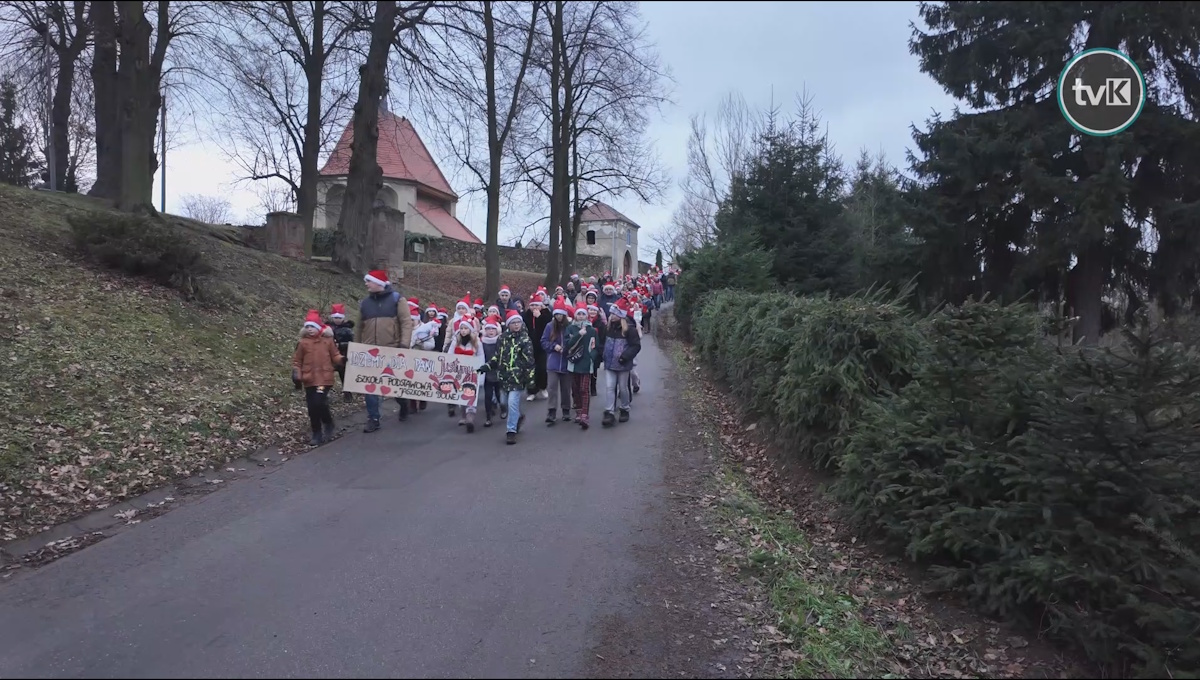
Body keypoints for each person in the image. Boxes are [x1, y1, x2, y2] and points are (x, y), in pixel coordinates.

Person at [358, 269, 414, 433]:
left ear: (378, 283)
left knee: (395, 385)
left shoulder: (397, 300)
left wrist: (403, 345)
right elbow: (359, 327)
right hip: (370, 353)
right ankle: (373, 418)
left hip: (392, 350)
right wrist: (356, 348)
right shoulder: (365, 303)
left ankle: (403, 403)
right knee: (370, 387)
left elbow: (406, 323)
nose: (366, 284)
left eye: (369, 281)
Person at [480, 310, 535, 445]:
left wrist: (530, 379)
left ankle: (511, 431)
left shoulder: (525, 339)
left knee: (512, 403)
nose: (516, 325)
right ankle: (518, 416)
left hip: (518, 378)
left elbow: (529, 360)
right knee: (504, 402)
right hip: (504, 378)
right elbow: (497, 356)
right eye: (513, 322)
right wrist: (487, 366)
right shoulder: (502, 338)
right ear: (508, 324)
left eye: (518, 322)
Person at [293, 310, 343, 445]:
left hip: (323, 379)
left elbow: (335, 355)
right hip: (309, 379)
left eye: (312, 326)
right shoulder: (303, 343)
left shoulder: (328, 341)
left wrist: (342, 360)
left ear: (319, 327)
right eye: (307, 327)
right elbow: (297, 361)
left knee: (319, 402)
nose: (310, 329)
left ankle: (328, 422)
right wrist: (297, 374)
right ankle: (316, 432)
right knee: (312, 407)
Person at [602, 298, 641, 428]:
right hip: (609, 363)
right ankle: (609, 412)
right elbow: (602, 343)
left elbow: (635, 346)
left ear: (620, 315)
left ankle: (624, 408)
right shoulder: (608, 328)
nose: (611, 316)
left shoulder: (629, 330)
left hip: (623, 364)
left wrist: (625, 357)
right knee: (609, 387)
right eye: (611, 314)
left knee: (623, 388)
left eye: (614, 314)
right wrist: (602, 355)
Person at [565, 301, 599, 429]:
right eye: (578, 314)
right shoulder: (570, 328)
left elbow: (596, 346)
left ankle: (585, 414)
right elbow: (567, 344)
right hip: (573, 363)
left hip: (586, 364)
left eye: (583, 314)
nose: (581, 316)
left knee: (584, 389)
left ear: (586, 316)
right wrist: (579, 334)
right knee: (575, 389)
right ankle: (578, 411)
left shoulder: (592, 330)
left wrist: (591, 356)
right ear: (575, 315)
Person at [446, 316, 483, 432]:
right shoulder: (455, 341)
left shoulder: (477, 342)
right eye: (461, 328)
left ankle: (470, 416)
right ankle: (463, 415)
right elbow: (450, 355)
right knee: (460, 393)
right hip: (459, 372)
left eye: (465, 328)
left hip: (472, 372)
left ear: (470, 330)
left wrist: (481, 374)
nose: (463, 331)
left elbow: (481, 357)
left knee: (471, 394)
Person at [541, 297, 573, 425]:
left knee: (566, 389)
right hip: (553, 363)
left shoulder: (569, 326)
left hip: (566, 362)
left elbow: (574, 341)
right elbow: (544, 341)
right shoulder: (549, 326)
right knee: (552, 388)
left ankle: (566, 410)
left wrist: (568, 348)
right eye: (557, 314)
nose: (559, 317)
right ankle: (551, 411)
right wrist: (553, 346)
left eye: (561, 314)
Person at [523, 295, 551, 402]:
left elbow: (548, 327)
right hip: (529, 346)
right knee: (531, 370)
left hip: (542, 346)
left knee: (542, 368)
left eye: (536, 305)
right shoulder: (526, 315)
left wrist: (540, 317)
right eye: (532, 305)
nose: (534, 307)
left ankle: (543, 387)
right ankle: (532, 391)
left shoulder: (546, 314)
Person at [327, 303, 356, 402]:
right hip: (330, 355)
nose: (337, 320)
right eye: (335, 318)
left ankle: (348, 394)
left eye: (339, 318)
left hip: (344, 355)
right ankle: (325, 393)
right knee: (327, 374)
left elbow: (352, 343)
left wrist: (341, 345)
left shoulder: (348, 330)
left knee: (344, 375)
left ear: (343, 318)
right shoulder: (328, 328)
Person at [479, 314, 504, 427]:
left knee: (499, 394)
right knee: (488, 396)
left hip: (498, 371)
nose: (490, 331)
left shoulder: (501, 341)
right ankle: (488, 417)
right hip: (487, 372)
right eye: (488, 329)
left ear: (496, 330)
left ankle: (503, 409)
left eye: (493, 329)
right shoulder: (481, 342)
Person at [587, 294, 607, 397]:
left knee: (594, 370)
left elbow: (603, 338)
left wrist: (600, 351)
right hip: (585, 350)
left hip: (596, 350)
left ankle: (593, 387)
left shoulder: (600, 324)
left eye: (594, 311)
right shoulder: (583, 322)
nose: (592, 312)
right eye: (590, 310)